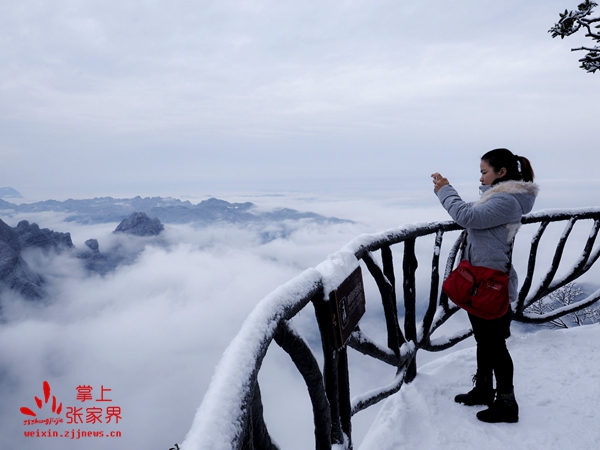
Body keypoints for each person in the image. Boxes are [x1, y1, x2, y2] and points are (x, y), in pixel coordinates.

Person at [431, 148, 538, 423]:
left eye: (484, 171)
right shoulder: (502, 197)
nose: (481, 177)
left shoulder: (507, 200)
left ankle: (507, 404)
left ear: (501, 173)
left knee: (495, 344)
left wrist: (445, 190)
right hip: (482, 278)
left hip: (490, 283)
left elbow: (469, 217)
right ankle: (483, 389)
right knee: (485, 340)